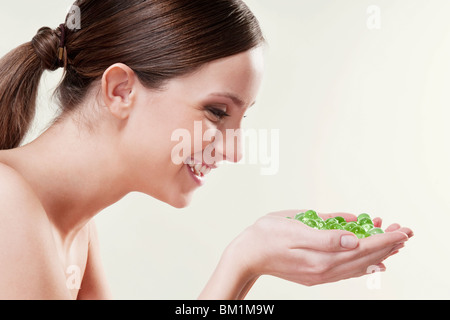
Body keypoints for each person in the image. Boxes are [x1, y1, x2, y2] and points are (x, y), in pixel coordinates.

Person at [0, 0, 412, 300]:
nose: (233, 152)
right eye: (216, 112)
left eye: (240, 119)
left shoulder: (75, 229)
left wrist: (251, 257)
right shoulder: (8, 202)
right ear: (121, 90)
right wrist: (242, 260)